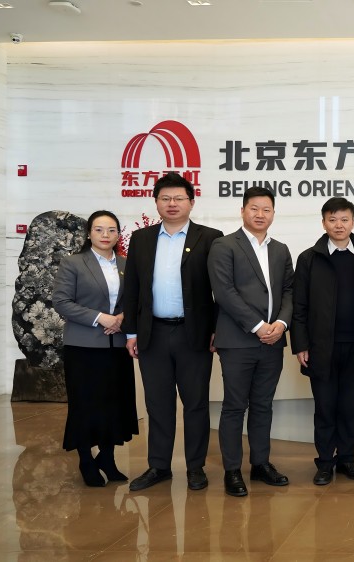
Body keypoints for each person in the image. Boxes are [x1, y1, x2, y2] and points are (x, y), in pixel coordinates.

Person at [122, 172, 224, 492]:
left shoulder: (211, 238)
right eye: (165, 198)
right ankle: (159, 466)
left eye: (179, 198)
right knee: (158, 404)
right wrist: (130, 333)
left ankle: (195, 467)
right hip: (152, 333)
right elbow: (132, 288)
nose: (172, 204)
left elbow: (221, 290)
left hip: (194, 335)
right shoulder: (142, 239)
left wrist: (216, 329)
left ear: (191, 202)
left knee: (195, 403)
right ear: (156, 202)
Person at [208, 186, 294, 497]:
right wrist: (258, 326)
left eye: (266, 209)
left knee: (263, 405)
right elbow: (224, 292)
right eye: (254, 208)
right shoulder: (224, 245)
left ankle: (261, 464)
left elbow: (289, 291)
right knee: (234, 406)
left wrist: (281, 324)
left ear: (273, 214)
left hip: (273, 341)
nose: (260, 214)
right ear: (242, 211)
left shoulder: (280, 249)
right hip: (238, 340)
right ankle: (232, 470)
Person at [292, 197, 354, 486]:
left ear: (353, 222)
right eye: (332, 219)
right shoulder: (309, 258)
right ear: (323, 223)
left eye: (344, 219)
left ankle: (346, 460)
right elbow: (299, 306)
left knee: (348, 407)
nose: (338, 225)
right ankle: (324, 462)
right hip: (321, 347)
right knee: (325, 407)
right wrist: (301, 344)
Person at [52, 210, 138, 487]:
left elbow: (135, 299)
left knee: (114, 404)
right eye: (99, 229)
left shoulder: (126, 264)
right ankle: (86, 461)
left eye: (111, 230)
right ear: (89, 233)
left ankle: (108, 458)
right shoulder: (74, 263)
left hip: (116, 345)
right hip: (83, 347)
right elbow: (61, 302)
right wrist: (101, 318)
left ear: (118, 234)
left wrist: (121, 318)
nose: (105, 235)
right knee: (86, 404)